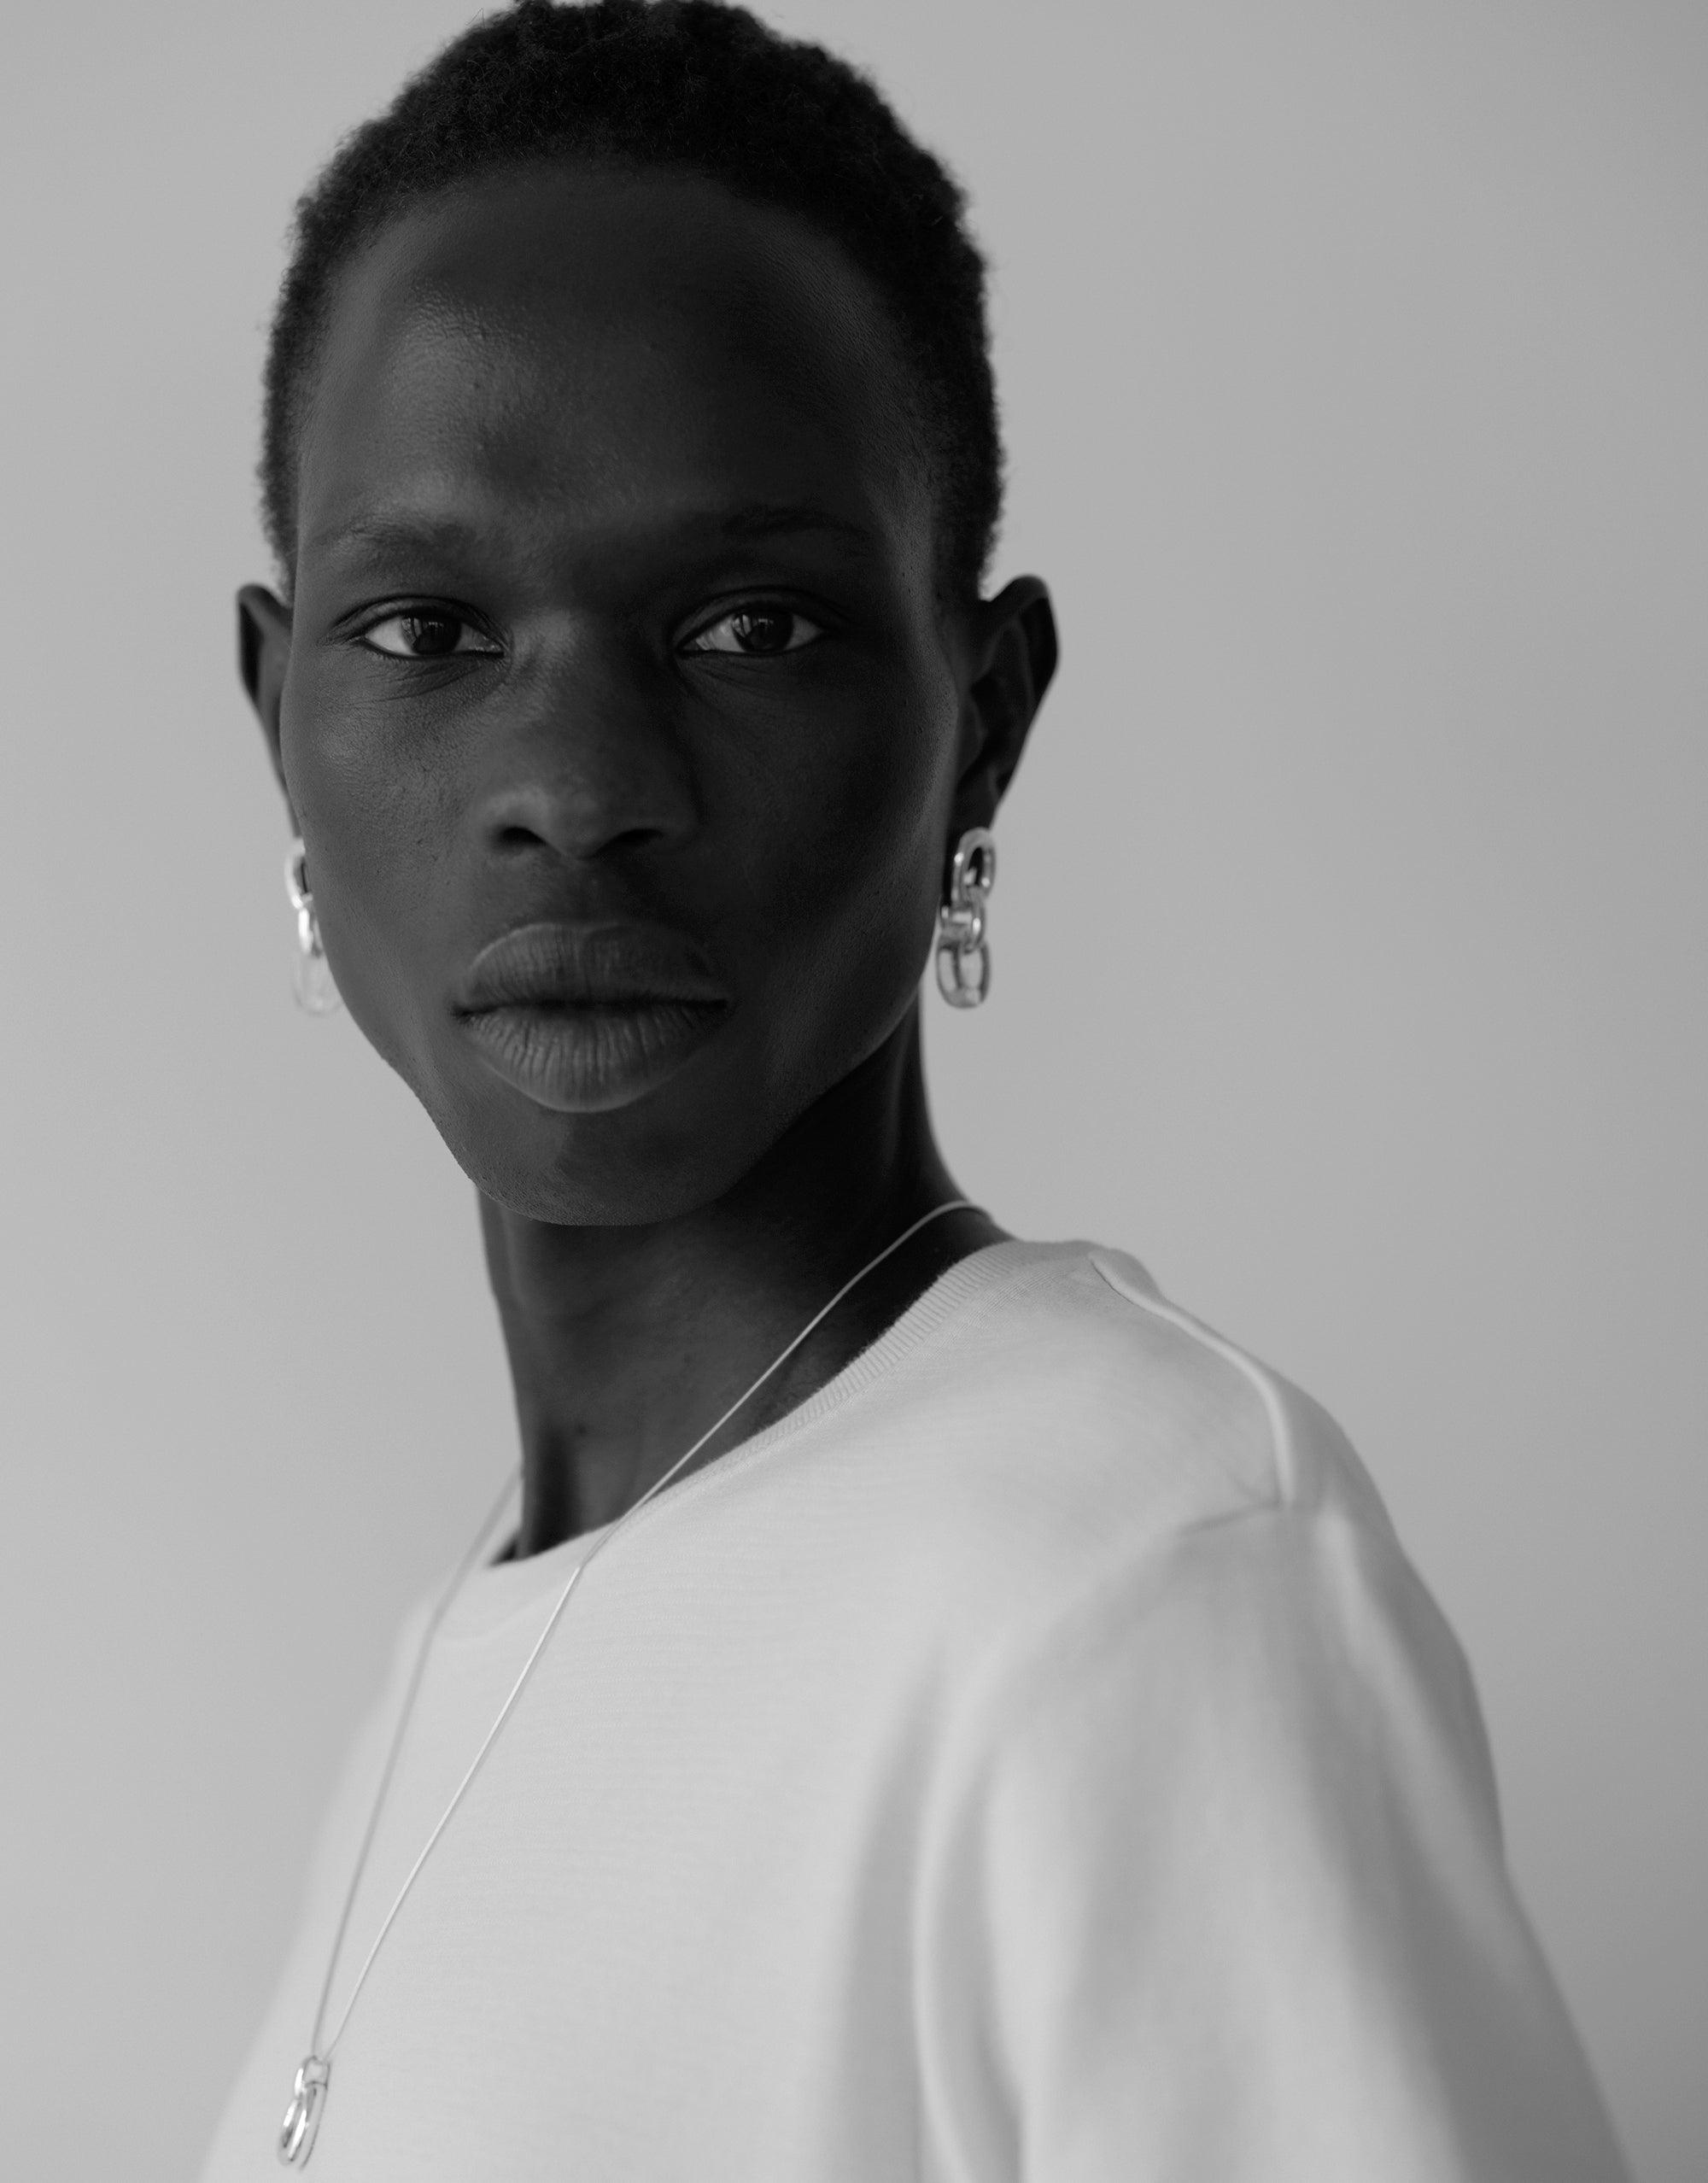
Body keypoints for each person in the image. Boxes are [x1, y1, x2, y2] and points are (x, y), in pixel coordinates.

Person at [202, 3, 1631, 2176]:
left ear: (981, 721)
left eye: (749, 627)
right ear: (276, 716)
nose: (578, 793)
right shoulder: (460, 1638)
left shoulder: (1147, 1576)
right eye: (429, 632)